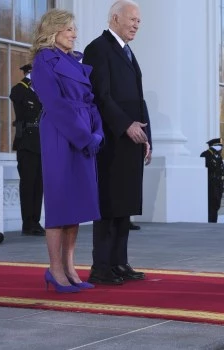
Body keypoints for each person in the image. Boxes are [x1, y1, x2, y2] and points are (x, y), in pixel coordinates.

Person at [30, 9, 103, 293]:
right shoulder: (43, 61)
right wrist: (84, 136)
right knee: (61, 203)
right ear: (54, 30)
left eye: (74, 29)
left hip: (84, 132)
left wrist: (97, 132)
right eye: (70, 29)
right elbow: (56, 105)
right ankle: (55, 270)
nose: (74, 34)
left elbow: (91, 101)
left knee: (77, 204)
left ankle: (71, 268)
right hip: (61, 134)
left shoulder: (74, 61)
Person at [83, 0, 152, 285]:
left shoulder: (128, 52)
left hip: (133, 139)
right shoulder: (97, 48)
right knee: (109, 205)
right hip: (112, 140)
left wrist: (148, 138)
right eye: (133, 19)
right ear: (115, 18)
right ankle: (101, 267)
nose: (137, 24)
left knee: (125, 205)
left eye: (139, 20)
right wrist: (125, 126)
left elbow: (138, 98)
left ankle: (119, 263)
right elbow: (102, 96)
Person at [10, 64, 45, 236]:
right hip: (26, 144)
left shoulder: (42, 92)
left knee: (39, 185)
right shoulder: (20, 90)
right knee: (28, 184)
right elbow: (14, 96)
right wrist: (28, 79)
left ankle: (36, 221)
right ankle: (27, 223)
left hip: (42, 144)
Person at [200, 138, 224, 223]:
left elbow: (220, 169)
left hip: (218, 184)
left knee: (216, 204)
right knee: (211, 205)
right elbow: (207, 169)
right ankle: (211, 222)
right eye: (219, 146)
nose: (221, 148)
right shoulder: (206, 155)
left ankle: (214, 222)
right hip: (210, 184)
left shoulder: (218, 156)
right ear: (214, 146)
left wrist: (222, 176)